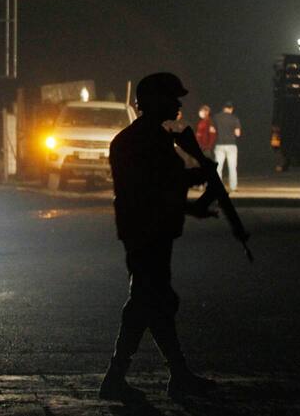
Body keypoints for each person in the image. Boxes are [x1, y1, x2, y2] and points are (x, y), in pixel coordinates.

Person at [98, 72, 217, 401]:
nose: (177, 104)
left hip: (150, 228)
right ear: (153, 101)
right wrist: (200, 173)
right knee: (149, 300)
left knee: (154, 301)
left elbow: (162, 187)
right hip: (146, 230)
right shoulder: (144, 140)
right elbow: (158, 185)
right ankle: (119, 377)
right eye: (171, 97)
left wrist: (192, 199)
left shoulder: (149, 137)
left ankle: (174, 374)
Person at [212, 102, 242, 191]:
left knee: (218, 167)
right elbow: (237, 133)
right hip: (231, 145)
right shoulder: (234, 118)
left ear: (223, 108)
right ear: (231, 109)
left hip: (219, 144)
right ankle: (233, 186)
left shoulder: (216, 117)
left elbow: (212, 130)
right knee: (232, 167)